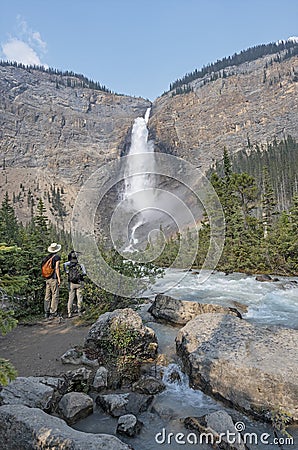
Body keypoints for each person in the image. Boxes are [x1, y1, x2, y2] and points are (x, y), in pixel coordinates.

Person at [63, 250, 86, 318]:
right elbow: (84, 273)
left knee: (70, 298)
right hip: (79, 282)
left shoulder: (69, 263)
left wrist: (67, 271)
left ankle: (69, 313)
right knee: (80, 298)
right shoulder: (81, 264)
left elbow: (64, 264)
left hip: (71, 283)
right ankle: (79, 312)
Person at [42, 242, 61, 319]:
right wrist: (59, 279)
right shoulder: (57, 257)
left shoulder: (47, 258)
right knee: (55, 295)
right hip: (53, 278)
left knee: (47, 296)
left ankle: (46, 312)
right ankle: (53, 312)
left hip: (47, 279)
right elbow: (57, 268)